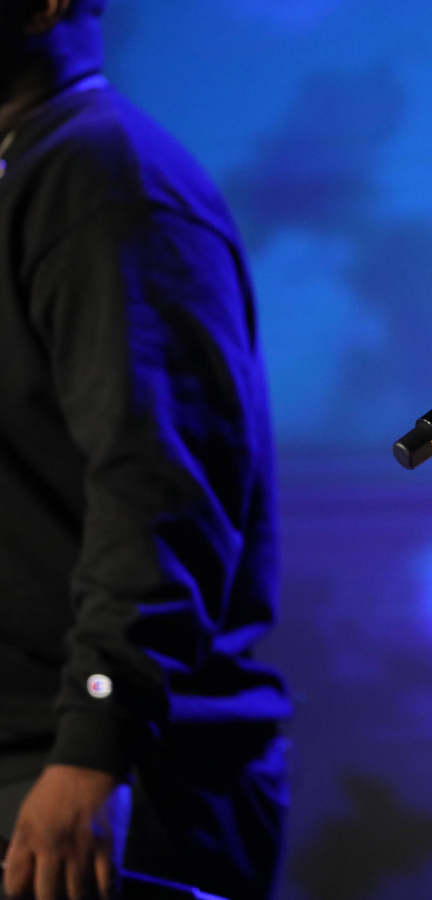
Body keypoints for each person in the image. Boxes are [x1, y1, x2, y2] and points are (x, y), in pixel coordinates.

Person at [0, 1, 289, 898]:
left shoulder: (102, 177)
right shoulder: (37, 168)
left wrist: (95, 744)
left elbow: (161, 485)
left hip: (101, 781)